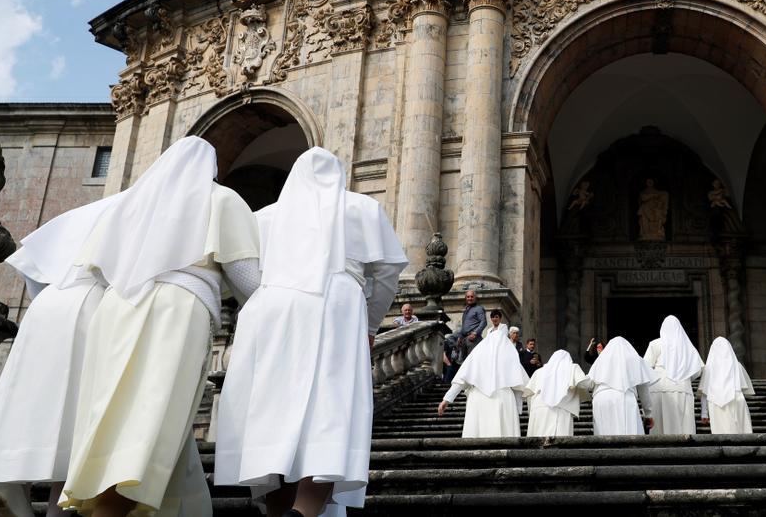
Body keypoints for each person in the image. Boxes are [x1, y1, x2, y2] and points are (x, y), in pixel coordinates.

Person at [60, 137, 262, 517]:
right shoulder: (220, 199)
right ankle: (113, 507)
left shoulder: (131, 205)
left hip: (116, 309)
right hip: (176, 310)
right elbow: (248, 280)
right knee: (147, 423)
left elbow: (99, 269)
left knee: (119, 414)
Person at [215, 147, 408, 517]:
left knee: (274, 409)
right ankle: (304, 509)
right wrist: (369, 323)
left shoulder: (265, 217)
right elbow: (386, 275)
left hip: (272, 308)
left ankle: (276, 509)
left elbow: (240, 271)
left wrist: (258, 302)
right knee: (329, 404)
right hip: (337, 304)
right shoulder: (361, 208)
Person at [0, 193, 121, 517]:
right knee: (74, 421)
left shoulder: (82, 215)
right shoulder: (133, 213)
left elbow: (30, 265)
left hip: (47, 303)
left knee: (28, 402)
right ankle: (58, 510)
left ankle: (12, 488)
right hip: (91, 302)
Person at [437, 325, 530, 438]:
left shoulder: (478, 353)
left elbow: (461, 379)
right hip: (503, 397)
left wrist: (446, 399)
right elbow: (523, 384)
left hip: (478, 397)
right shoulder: (509, 354)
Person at [642, 315, 704, 435]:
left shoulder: (655, 344)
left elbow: (645, 367)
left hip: (658, 386)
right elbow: (698, 370)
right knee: (682, 425)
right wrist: (684, 375)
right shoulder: (689, 348)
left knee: (659, 426)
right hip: (682, 387)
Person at [587, 336, 657, 435]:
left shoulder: (600, 359)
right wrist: (648, 414)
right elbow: (643, 389)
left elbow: (589, 382)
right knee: (627, 435)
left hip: (601, 398)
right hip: (624, 397)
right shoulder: (634, 358)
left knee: (604, 436)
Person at [524, 350, 593, 437]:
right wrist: (594, 378)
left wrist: (532, 411)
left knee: (537, 441)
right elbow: (584, 384)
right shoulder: (572, 368)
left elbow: (530, 394)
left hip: (538, 409)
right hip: (561, 409)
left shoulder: (539, 372)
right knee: (558, 442)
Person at [697, 337, 754, 434]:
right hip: (736, 400)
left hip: (715, 402)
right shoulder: (737, 365)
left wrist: (704, 413)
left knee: (721, 432)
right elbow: (744, 387)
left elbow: (704, 392)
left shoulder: (708, 369)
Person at [453, 290, 486, 363]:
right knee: (464, 363)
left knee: (472, 362)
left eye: (471, 296)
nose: (470, 298)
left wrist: (475, 333)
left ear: (475, 298)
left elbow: (483, 322)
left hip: (473, 339)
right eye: (468, 297)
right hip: (465, 340)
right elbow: (464, 326)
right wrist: (460, 337)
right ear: (465, 298)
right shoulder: (466, 310)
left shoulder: (479, 308)